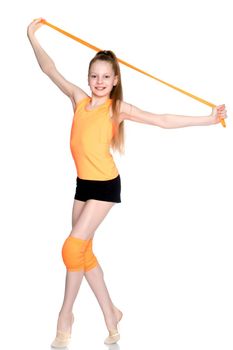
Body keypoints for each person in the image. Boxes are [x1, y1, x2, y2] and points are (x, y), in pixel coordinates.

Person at [27, 18, 227, 348]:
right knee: (84, 253)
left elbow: (162, 120)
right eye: (94, 76)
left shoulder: (116, 108)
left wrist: (209, 119)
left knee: (72, 247)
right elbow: (50, 69)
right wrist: (32, 37)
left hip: (105, 186)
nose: (99, 81)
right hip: (83, 186)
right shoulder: (78, 99)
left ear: (115, 80)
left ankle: (66, 315)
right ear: (88, 78)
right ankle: (111, 314)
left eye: (106, 76)